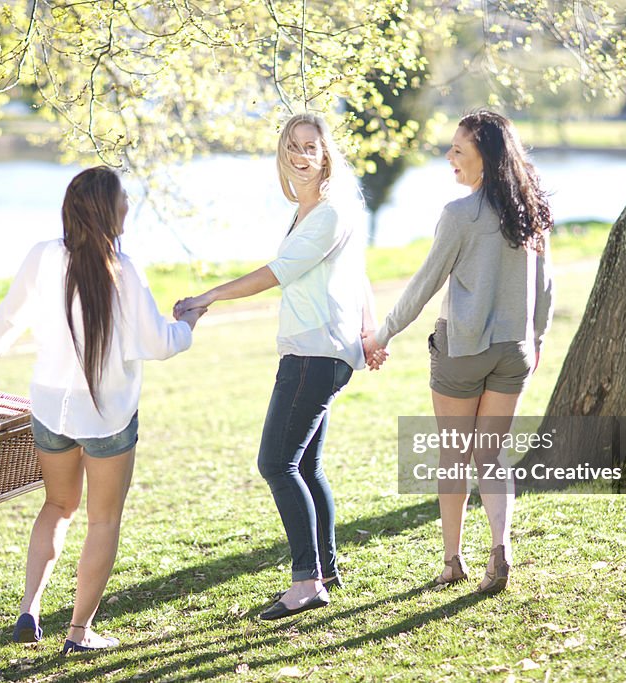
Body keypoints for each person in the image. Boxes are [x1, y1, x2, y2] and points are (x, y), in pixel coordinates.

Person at [0, 166, 206, 654]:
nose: (128, 207)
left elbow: (7, 317)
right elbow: (158, 344)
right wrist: (188, 324)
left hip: (50, 412)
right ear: (108, 209)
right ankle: (78, 633)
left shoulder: (43, 256)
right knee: (102, 521)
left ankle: (29, 609)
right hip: (108, 420)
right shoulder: (124, 268)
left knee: (57, 506)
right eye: (123, 200)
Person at [173, 113, 380, 620]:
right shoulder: (311, 213)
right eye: (292, 146)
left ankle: (307, 582)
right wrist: (369, 332)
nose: (300, 155)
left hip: (313, 355)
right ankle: (325, 571)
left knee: (276, 464)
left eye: (310, 146)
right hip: (318, 350)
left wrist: (208, 297)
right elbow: (357, 276)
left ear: (326, 153)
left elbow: (278, 273)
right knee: (305, 466)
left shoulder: (328, 212)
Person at [363, 110, 553, 594]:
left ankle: (453, 562)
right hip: (515, 351)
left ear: (485, 157)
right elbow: (545, 289)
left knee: (454, 458)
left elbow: (425, 284)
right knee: (491, 457)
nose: (449, 157)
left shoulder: (459, 214)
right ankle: (501, 547)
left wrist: (382, 334)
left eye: (458, 150)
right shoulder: (531, 211)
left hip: (463, 350)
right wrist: (536, 342)